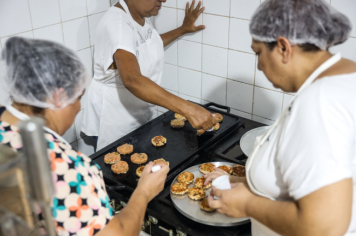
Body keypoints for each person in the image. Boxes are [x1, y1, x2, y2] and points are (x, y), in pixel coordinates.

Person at [205, 0, 356, 235]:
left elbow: (325, 226)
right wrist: (248, 185)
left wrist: (246, 204)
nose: (259, 67)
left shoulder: (320, 102)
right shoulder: (347, 78)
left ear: (284, 48)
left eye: (258, 53)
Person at [0, 37, 169, 236]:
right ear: (58, 97)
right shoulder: (66, 167)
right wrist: (143, 192)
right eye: (79, 97)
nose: (80, 107)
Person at [82, 0, 217, 150]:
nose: (163, 0)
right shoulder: (117, 25)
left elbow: (147, 45)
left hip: (135, 110)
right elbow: (132, 79)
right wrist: (189, 109)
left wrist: (182, 29)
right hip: (114, 117)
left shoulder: (138, 15)